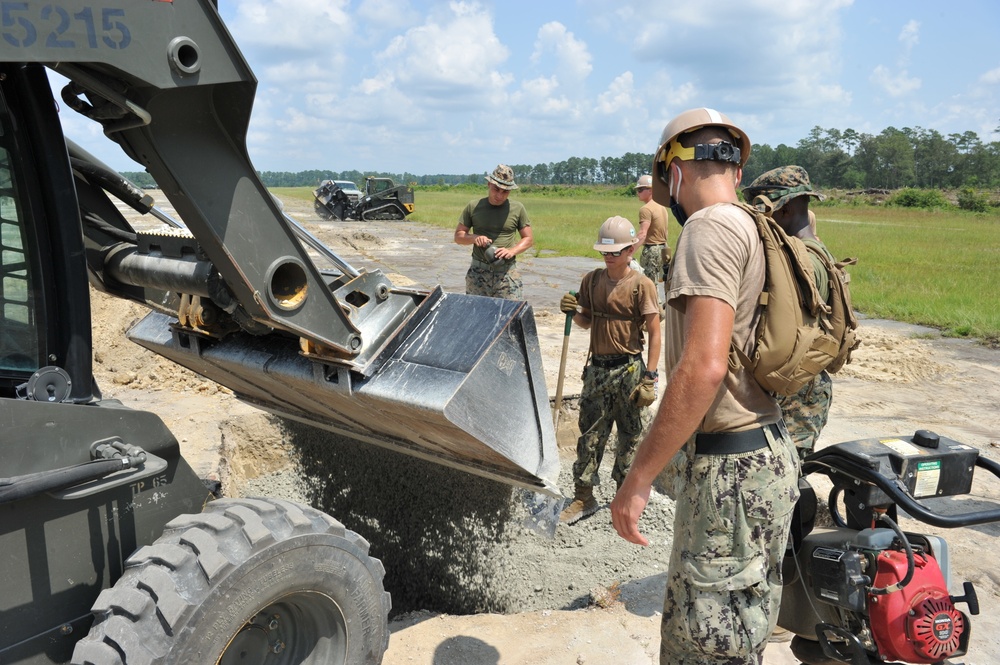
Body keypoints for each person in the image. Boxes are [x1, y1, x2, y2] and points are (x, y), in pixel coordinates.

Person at [610, 108, 799, 665]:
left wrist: (638, 478)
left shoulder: (709, 228)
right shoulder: (751, 224)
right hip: (765, 455)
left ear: (674, 173)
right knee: (739, 636)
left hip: (730, 475)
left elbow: (703, 368)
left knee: (705, 648)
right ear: (737, 171)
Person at [558, 216, 661, 524]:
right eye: (605, 252)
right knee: (590, 436)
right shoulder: (591, 280)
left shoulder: (642, 285)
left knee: (630, 437)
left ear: (631, 250)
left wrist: (651, 377)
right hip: (598, 370)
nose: (609, 257)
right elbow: (587, 320)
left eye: (615, 252)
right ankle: (583, 497)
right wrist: (573, 312)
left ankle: (625, 499)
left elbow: (655, 332)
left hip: (629, 370)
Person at [743, 165, 833, 461]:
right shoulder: (813, 250)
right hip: (802, 382)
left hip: (795, 389)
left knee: (790, 474)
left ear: (784, 208)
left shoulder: (799, 261)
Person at [454, 164, 533, 299]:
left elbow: (528, 239)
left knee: (510, 316)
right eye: (496, 189)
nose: (500, 195)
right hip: (478, 274)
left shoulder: (517, 208)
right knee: (476, 315)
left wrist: (512, 251)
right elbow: (458, 236)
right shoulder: (474, 206)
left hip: (507, 275)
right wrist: (475, 238)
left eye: (505, 192)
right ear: (489, 184)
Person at [634, 174, 670, 306]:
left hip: (652, 250)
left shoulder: (645, 209)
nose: (638, 193)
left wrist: (630, 252)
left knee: (648, 284)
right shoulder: (662, 207)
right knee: (660, 281)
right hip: (663, 248)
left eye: (640, 189)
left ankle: (654, 312)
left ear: (650, 190)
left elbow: (643, 233)